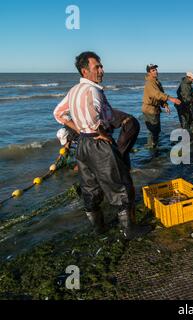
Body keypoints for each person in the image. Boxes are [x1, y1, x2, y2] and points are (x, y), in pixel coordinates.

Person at [56, 51, 146, 240]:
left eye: (101, 66)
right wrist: (101, 132)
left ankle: (99, 229)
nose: (102, 70)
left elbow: (58, 113)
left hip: (83, 145)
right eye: (97, 67)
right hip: (98, 143)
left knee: (90, 188)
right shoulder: (93, 90)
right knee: (121, 185)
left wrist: (80, 130)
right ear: (85, 70)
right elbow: (92, 115)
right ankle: (129, 230)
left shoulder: (73, 90)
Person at [142, 64, 181, 148]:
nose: (155, 71)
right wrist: (171, 99)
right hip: (150, 109)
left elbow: (161, 94)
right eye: (153, 70)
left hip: (155, 109)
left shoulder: (157, 82)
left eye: (156, 69)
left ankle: (153, 145)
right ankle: (151, 147)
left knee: (156, 130)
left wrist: (165, 105)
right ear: (149, 73)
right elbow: (157, 94)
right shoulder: (150, 83)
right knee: (153, 130)